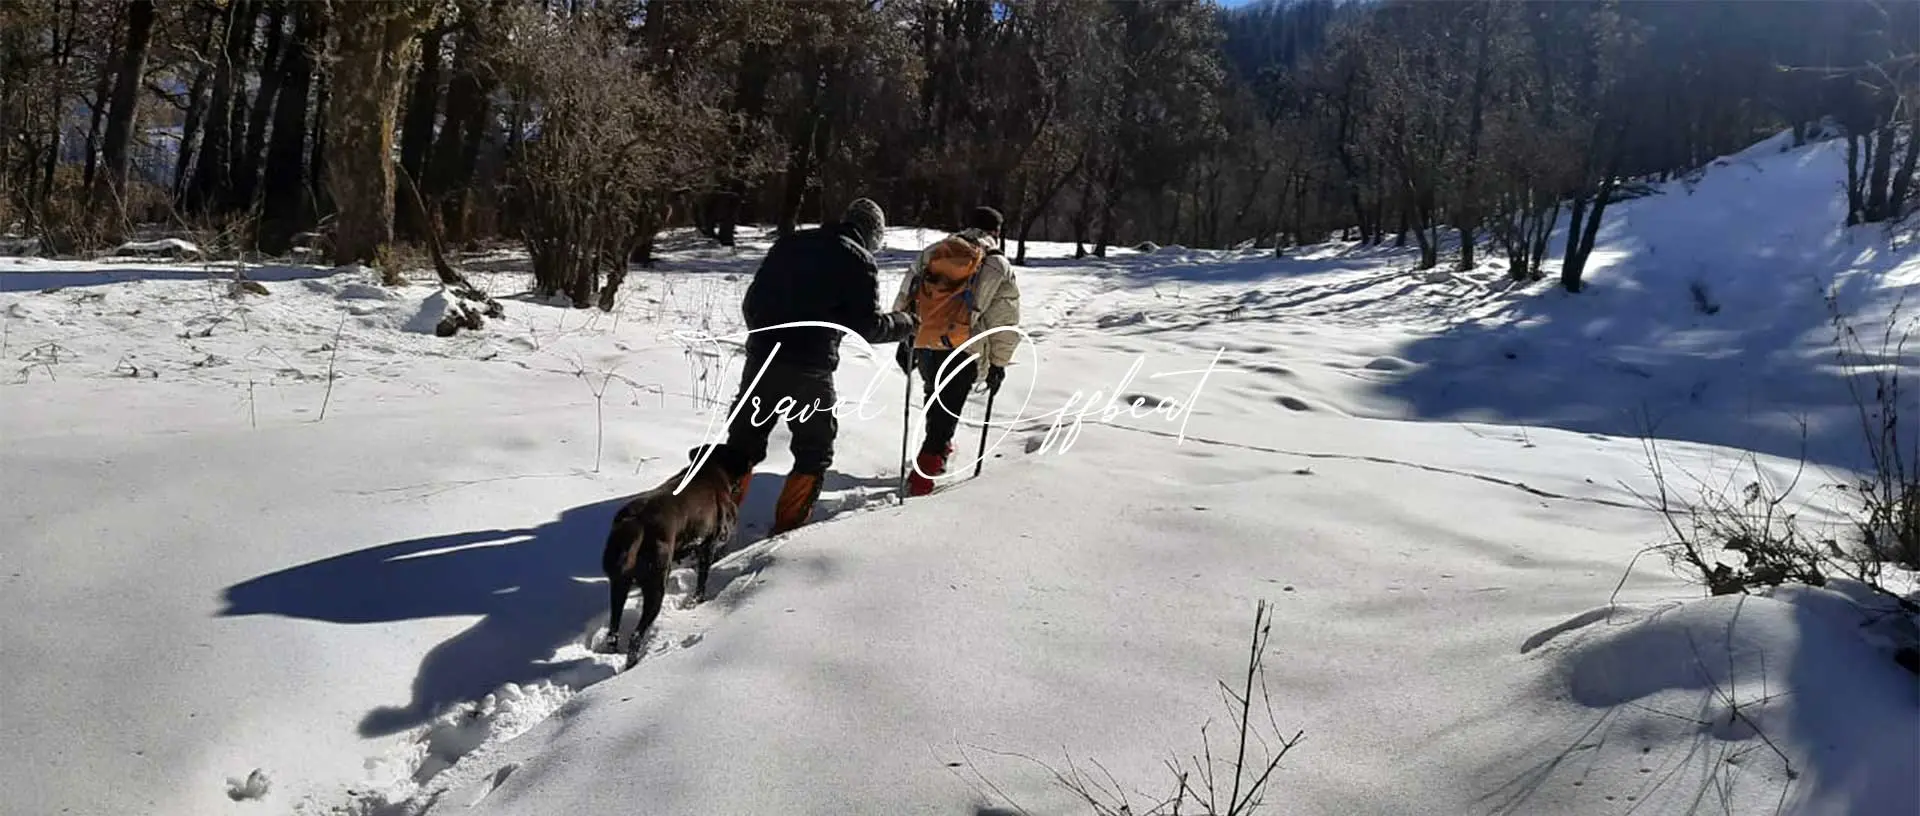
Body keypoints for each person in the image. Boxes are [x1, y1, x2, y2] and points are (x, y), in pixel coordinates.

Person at [718, 198, 917, 534]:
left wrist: (765, 338)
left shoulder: (790, 244)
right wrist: (906, 322)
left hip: (762, 359)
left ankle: (714, 525)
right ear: (872, 235)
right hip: (809, 370)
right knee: (814, 449)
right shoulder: (859, 262)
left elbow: (751, 302)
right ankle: (788, 529)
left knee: (741, 445)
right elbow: (866, 326)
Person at [891, 206, 1023, 496]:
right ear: (996, 233)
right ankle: (923, 478)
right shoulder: (997, 263)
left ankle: (939, 450)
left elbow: (907, 292)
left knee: (935, 396)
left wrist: (904, 337)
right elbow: (1004, 319)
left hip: (925, 340)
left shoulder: (935, 251)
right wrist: (999, 363)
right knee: (948, 405)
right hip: (963, 346)